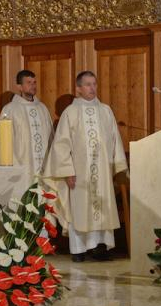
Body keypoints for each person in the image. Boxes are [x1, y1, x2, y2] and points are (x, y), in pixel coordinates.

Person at [43, 71, 128, 262]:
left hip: (103, 171)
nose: (92, 88)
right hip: (79, 172)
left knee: (102, 207)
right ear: (78, 89)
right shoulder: (70, 112)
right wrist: (67, 171)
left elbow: (115, 139)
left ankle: (100, 247)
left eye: (94, 84)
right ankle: (79, 249)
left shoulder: (105, 110)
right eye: (88, 85)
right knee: (79, 209)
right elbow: (62, 143)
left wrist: (118, 166)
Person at [0, 70, 54, 175]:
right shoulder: (10, 109)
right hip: (22, 168)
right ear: (20, 87)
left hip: (45, 169)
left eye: (34, 82)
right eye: (29, 83)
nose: (33, 86)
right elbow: (2, 142)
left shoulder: (42, 108)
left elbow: (51, 138)